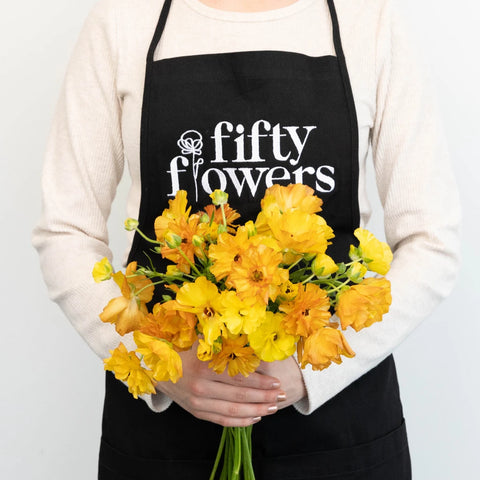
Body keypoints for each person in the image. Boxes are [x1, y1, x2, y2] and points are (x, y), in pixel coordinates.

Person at [32, 0, 461, 478]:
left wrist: (313, 368)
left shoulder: (370, 20)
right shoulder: (123, 19)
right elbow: (65, 231)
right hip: (167, 434)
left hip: (339, 429)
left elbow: (432, 239)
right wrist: (160, 367)